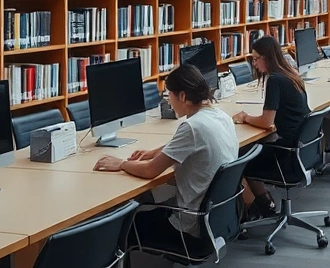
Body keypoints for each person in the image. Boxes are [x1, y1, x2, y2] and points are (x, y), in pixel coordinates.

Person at [92, 64, 238, 248]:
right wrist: (156, 152)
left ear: (183, 96)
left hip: (190, 230)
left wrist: (121, 163)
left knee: (123, 226)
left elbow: (150, 170)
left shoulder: (192, 127)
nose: (168, 101)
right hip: (216, 219)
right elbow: (193, 144)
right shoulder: (219, 116)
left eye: (169, 94)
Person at [232, 36, 310, 219]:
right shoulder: (291, 74)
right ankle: (265, 203)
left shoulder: (275, 80)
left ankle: (260, 207)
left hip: (287, 152)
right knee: (257, 146)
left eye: (255, 58)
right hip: (299, 148)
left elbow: (267, 121)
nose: (254, 63)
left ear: (266, 57)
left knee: (242, 158)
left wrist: (245, 117)